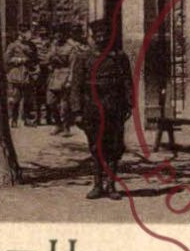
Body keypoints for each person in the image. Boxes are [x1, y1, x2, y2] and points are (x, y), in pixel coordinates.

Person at [68, 19, 133, 199]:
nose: (102, 38)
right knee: (96, 147)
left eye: (105, 35)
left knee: (114, 147)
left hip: (114, 107)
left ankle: (111, 185)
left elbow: (128, 82)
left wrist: (129, 104)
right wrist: (77, 111)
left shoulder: (119, 57)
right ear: (93, 37)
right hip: (92, 107)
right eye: (98, 35)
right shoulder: (83, 58)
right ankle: (97, 185)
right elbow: (76, 86)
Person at [45, 25, 78, 135]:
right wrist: (52, 52)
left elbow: (73, 65)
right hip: (54, 75)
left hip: (65, 74)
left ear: (64, 35)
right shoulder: (53, 46)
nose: (57, 36)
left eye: (60, 34)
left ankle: (65, 127)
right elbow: (47, 59)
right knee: (50, 102)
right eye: (56, 34)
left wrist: (70, 80)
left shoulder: (70, 48)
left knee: (64, 104)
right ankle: (57, 123)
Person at [4, 31, 38, 127]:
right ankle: (14, 120)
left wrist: (34, 68)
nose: (25, 35)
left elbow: (35, 58)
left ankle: (27, 119)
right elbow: (6, 59)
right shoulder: (13, 46)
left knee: (28, 99)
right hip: (16, 73)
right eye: (22, 32)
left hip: (28, 73)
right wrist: (19, 60)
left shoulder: (32, 46)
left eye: (26, 31)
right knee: (15, 99)